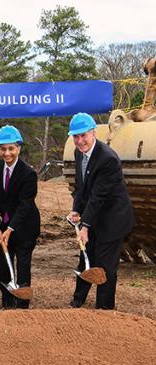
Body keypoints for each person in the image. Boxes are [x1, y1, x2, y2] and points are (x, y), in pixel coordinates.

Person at [67, 113, 133, 310]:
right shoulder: (79, 152)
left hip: (113, 218)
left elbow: (99, 196)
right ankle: (78, 301)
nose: (79, 141)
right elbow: (81, 187)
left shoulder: (107, 159)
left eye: (83, 135)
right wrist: (76, 211)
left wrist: (84, 226)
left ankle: (104, 310)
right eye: (75, 136)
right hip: (93, 214)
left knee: (105, 265)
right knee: (85, 257)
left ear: (94, 133)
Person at [0, 125, 40, 309]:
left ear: (18, 148)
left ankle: (22, 304)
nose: (7, 153)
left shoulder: (28, 173)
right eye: (3, 149)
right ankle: (8, 300)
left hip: (25, 227)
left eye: (11, 148)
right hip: (2, 224)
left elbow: (25, 204)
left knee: (23, 267)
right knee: (2, 266)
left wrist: (10, 229)